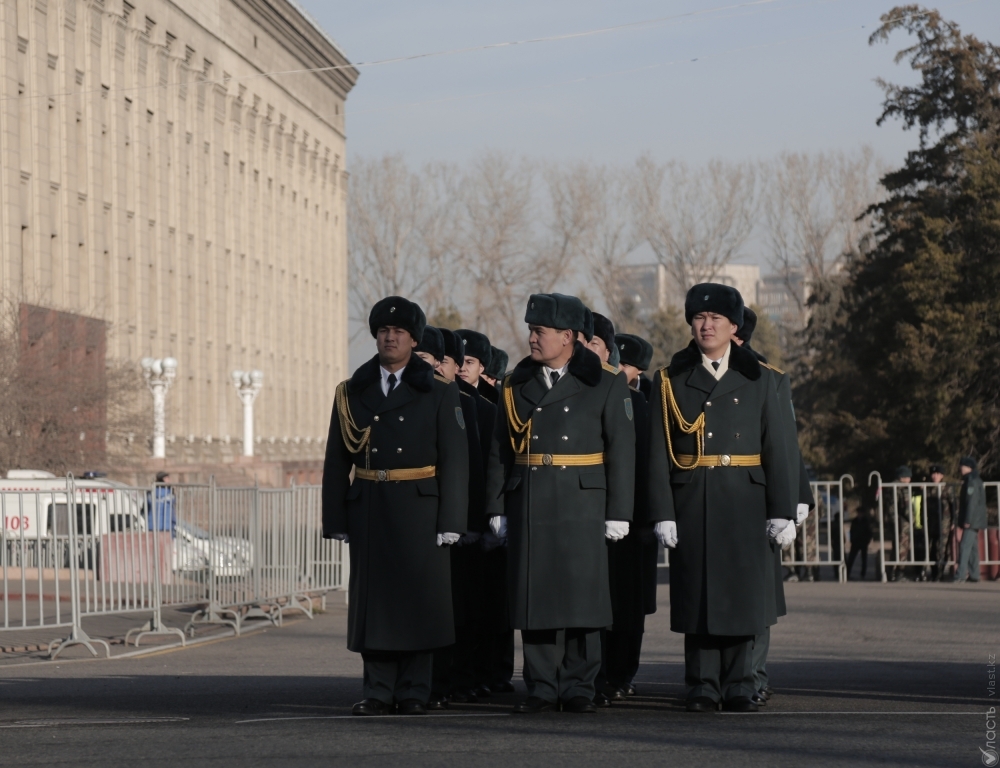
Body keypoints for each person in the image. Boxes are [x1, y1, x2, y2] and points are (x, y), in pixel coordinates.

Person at [648, 283, 796, 714]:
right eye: (699, 317)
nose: (706, 325)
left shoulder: (762, 379)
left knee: (741, 595)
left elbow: (778, 448)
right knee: (698, 595)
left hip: (744, 499)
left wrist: (783, 510)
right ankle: (701, 684)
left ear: (735, 327)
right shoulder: (670, 379)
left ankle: (740, 682)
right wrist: (663, 512)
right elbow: (658, 451)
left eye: (716, 319)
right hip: (693, 498)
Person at [485, 293, 635, 714]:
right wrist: (496, 508)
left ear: (568, 337)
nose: (532, 338)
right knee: (537, 597)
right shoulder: (515, 383)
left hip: (583, 501)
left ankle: (579, 685)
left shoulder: (606, 381)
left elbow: (621, 450)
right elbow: (500, 449)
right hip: (531, 498)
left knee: (583, 599)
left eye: (540, 331)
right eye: (531, 330)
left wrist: (619, 511)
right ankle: (542, 685)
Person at [322, 296, 469, 716]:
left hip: (420, 507)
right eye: (384, 331)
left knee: (418, 602)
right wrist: (336, 516)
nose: (390, 337)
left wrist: (452, 519)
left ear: (413, 339)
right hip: (371, 504)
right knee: (377, 603)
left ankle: (414, 690)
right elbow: (337, 458)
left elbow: (455, 460)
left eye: (399, 332)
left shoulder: (438, 389)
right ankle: (378, 689)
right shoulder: (353, 391)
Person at [732, 305, 808, 705]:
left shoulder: (766, 375)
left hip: (761, 495)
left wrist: (798, 496)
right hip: (729, 496)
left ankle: (755, 674)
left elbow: (785, 441)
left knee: (758, 592)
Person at [423, 327, 488, 707]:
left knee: (462, 609)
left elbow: (473, 470)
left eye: (444, 360)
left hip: (461, 527)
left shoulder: (472, 404)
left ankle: (453, 678)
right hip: (425, 519)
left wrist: (473, 524)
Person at [604, 330, 658, 702]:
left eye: (623, 364)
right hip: (601, 517)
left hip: (635, 521)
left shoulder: (644, 405)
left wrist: (644, 520)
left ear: (637, 370)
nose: (616, 369)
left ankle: (623, 670)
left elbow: (646, 467)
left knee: (629, 605)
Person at [954, 457, 987, 583]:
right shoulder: (972, 480)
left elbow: (971, 503)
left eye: (962, 466)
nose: (960, 468)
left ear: (969, 467)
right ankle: (974, 574)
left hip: (972, 520)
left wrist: (967, 520)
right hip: (975, 520)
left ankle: (961, 574)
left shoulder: (971, 481)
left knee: (964, 546)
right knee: (972, 548)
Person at [926, 465, 956, 581]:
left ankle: (941, 572)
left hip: (944, 523)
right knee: (932, 548)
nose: (935, 476)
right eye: (933, 474)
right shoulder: (927, 487)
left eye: (938, 474)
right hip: (931, 522)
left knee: (942, 548)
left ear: (942, 475)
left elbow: (954, 506)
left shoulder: (947, 488)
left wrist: (953, 521)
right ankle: (934, 573)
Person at [845, 503, 873, 580]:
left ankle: (863, 574)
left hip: (863, 542)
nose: (859, 514)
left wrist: (867, 540)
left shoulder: (866, 521)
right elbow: (852, 531)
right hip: (855, 542)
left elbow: (869, 532)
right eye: (858, 513)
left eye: (861, 513)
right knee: (851, 559)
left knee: (864, 559)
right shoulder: (854, 521)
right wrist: (851, 540)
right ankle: (847, 574)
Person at [148, 471, 176, 536]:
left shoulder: (151, 491)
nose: (169, 480)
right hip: (166, 525)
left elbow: (146, 506)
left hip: (152, 525)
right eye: (168, 478)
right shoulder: (169, 492)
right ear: (163, 479)